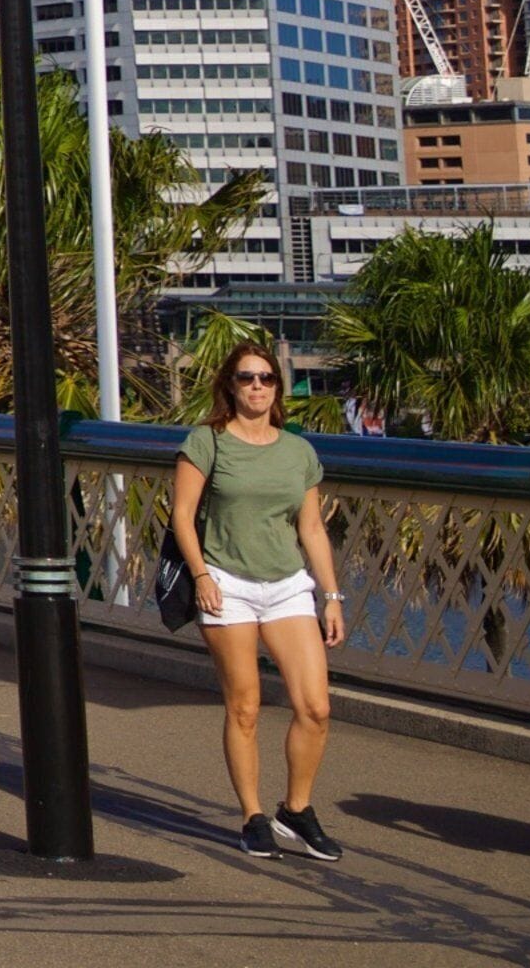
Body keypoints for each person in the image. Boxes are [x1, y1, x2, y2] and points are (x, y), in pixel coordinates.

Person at [174, 339, 346, 861]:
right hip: (227, 583)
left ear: (277, 387)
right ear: (231, 385)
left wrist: (331, 595)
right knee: (245, 706)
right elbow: (182, 515)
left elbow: (312, 527)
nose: (256, 387)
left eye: (266, 378)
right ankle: (252, 817)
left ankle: (296, 809)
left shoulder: (298, 451)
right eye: (246, 378)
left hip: (287, 586)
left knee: (315, 707)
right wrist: (201, 574)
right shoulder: (208, 441)